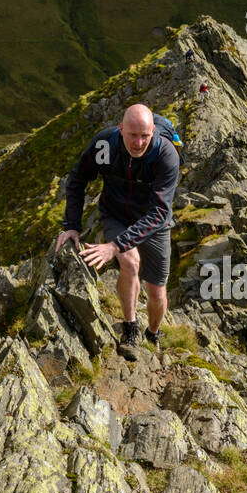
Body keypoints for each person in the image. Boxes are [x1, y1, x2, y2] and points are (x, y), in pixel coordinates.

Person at [54, 104, 180, 360]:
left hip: (155, 221)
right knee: (130, 262)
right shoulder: (105, 145)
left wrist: (113, 246)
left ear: (153, 131)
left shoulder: (166, 155)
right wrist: (71, 226)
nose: (138, 142)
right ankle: (130, 328)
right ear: (121, 129)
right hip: (116, 214)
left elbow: (158, 212)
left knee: (157, 291)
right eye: (132, 135)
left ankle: (153, 334)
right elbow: (78, 179)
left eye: (145, 135)